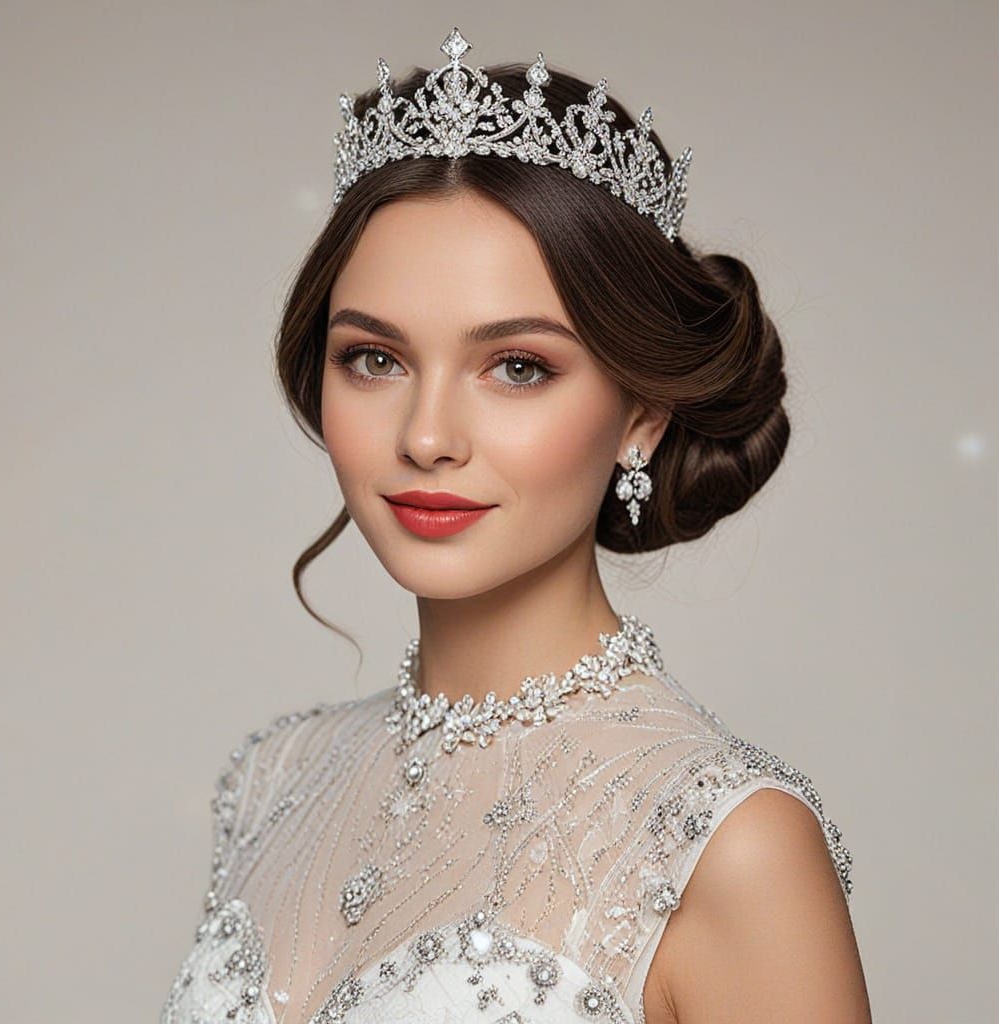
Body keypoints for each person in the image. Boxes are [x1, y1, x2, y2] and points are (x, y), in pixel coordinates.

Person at [161, 27, 871, 1024]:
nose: (427, 435)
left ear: (640, 412)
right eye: (375, 358)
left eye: (518, 366)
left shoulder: (724, 844)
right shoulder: (273, 778)